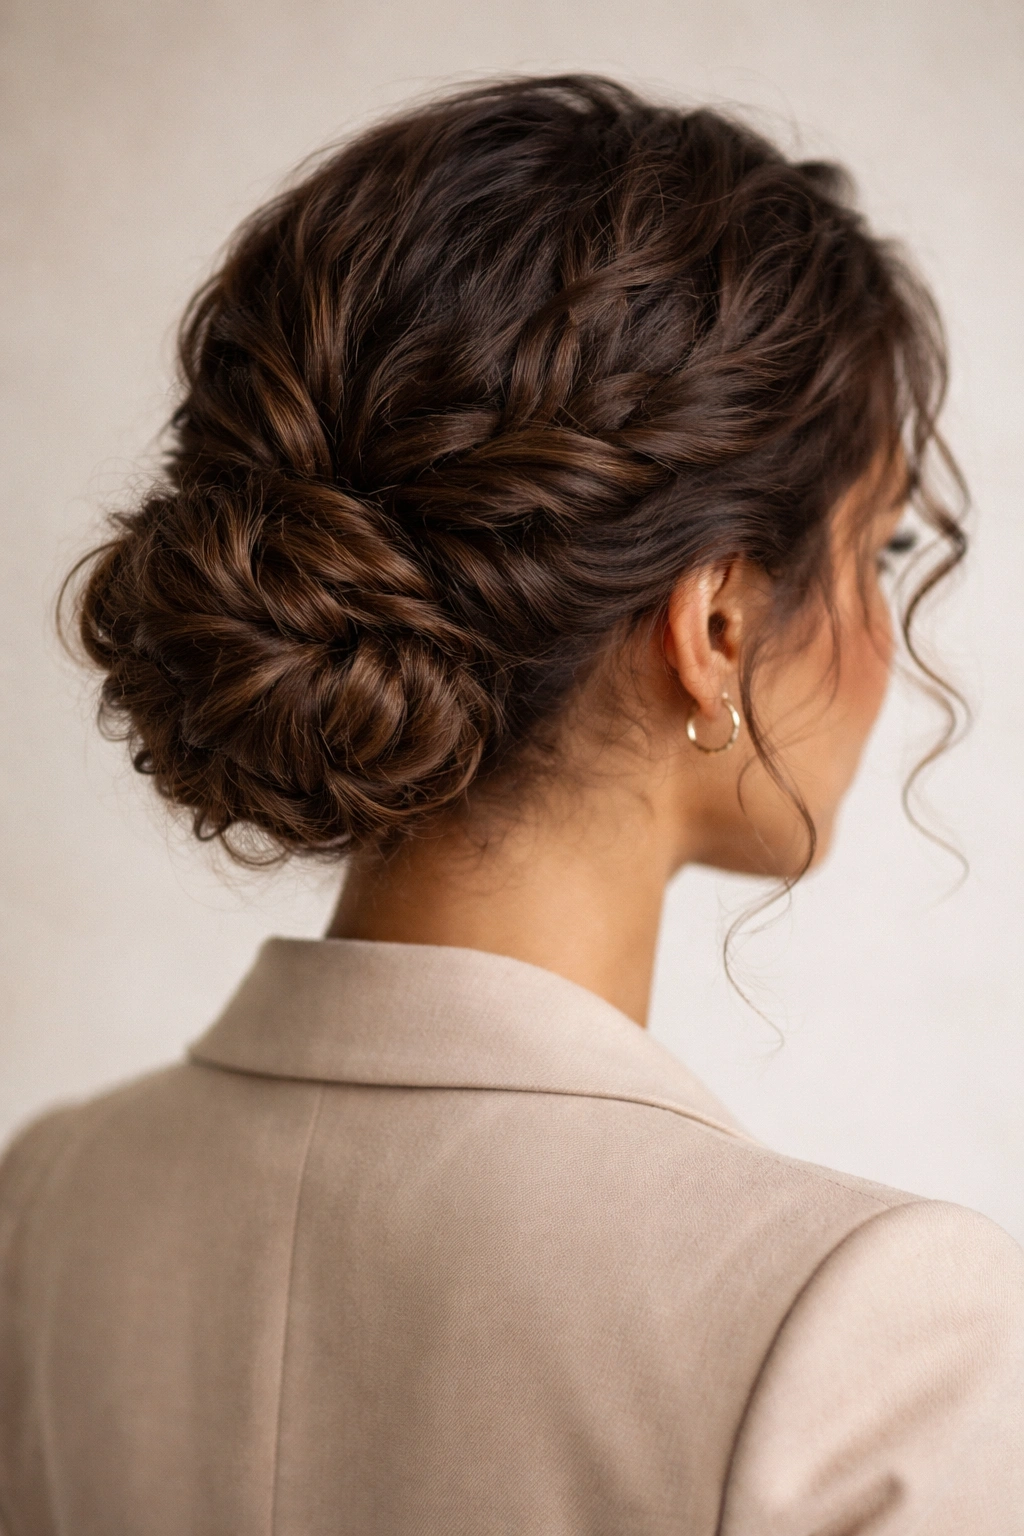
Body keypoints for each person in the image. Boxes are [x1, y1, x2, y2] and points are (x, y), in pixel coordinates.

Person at [1, 74, 1021, 1535]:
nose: (885, 644)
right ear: (718, 622)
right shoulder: (866, 1323)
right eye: (880, 544)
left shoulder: (47, 1207)